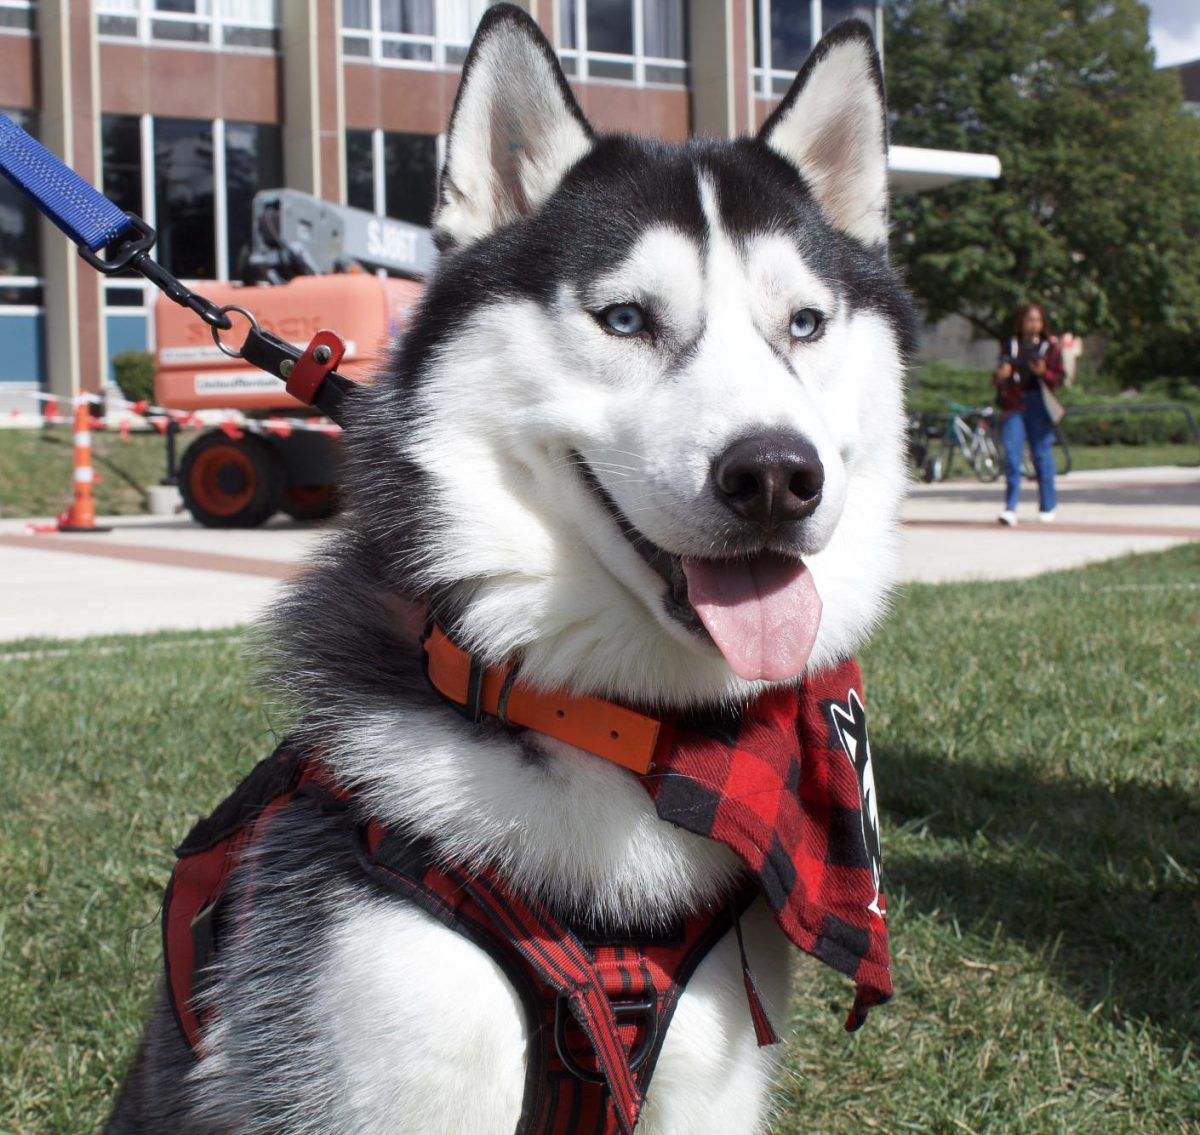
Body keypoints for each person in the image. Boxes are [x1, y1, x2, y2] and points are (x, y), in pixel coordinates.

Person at [992, 303, 1065, 526]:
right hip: (1015, 404)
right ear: (1021, 322)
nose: (1034, 324)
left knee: (1041, 454)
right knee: (1012, 455)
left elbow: (1059, 378)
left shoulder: (1049, 347)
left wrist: (1044, 372)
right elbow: (996, 379)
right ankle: (1010, 508)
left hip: (1038, 404)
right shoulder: (1011, 346)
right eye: (1030, 319)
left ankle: (1047, 505)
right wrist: (1001, 375)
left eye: (1038, 320)